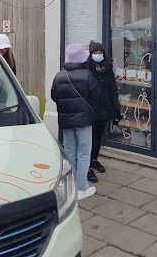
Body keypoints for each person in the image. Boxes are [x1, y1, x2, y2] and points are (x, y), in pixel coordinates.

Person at [51, 43, 98, 199]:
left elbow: (54, 96)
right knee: (83, 153)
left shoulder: (59, 76)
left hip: (66, 119)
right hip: (83, 119)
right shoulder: (88, 75)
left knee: (70, 152)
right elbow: (95, 96)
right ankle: (82, 188)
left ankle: (70, 185)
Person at [85, 41, 122, 182]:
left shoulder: (107, 68)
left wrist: (116, 109)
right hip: (91, 108)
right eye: (95, 53)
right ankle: (87, 166)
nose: (98, 55)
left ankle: (94, 159)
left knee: (98, 137)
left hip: (104, 108)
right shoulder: (87, 68)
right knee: (88, 138)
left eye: (100, 53)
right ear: (90, 55)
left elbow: (113, 89)